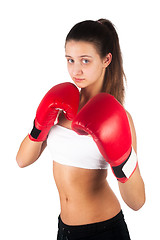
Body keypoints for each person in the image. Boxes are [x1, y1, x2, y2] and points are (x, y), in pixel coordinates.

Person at [16, 19, 146, 240]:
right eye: (70, 60)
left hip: (103, 231)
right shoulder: (59, 103)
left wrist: (121, 162)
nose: (76, 70)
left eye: (85, 61)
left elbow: (137, 202)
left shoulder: (119, 118)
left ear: (106, 60)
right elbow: (22, 160)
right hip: (64, 229)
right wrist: (40, 125)